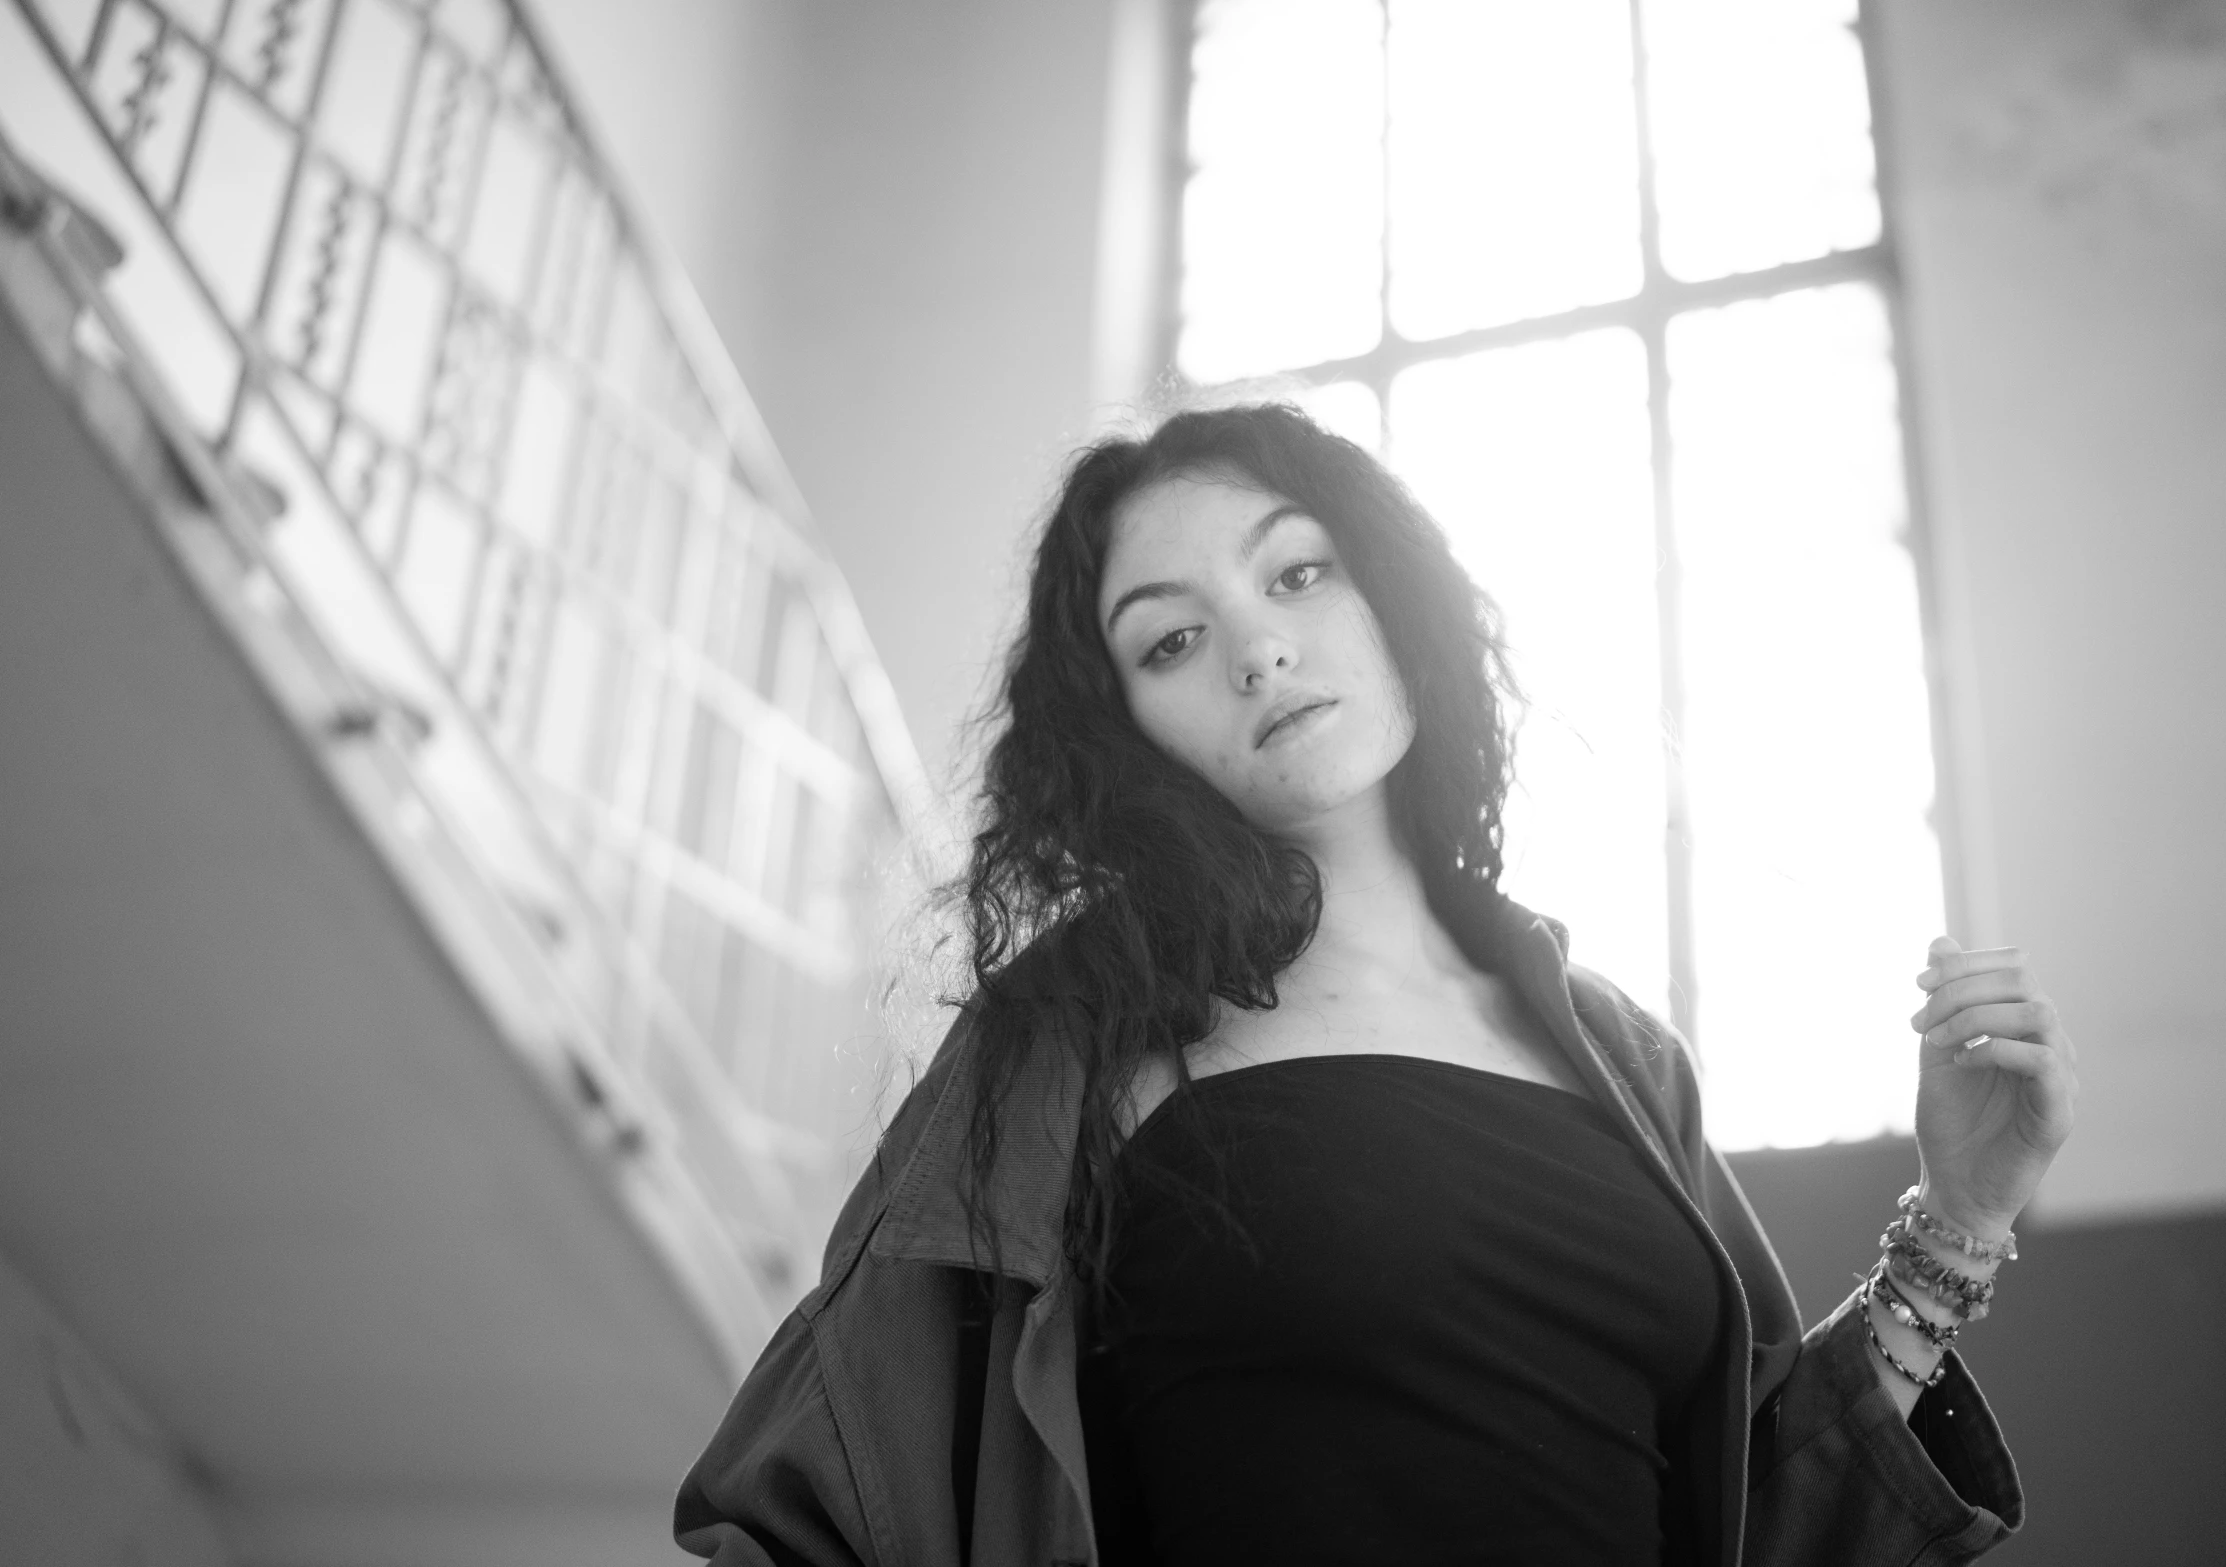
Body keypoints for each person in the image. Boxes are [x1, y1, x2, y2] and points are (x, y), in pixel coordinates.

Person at [675, 402, 2077, 1566]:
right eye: (1171, 639)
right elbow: (809, 1502)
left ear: (1391, 594)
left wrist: (1961, 1213)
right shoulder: (1071, 1041)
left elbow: (1755, 1523)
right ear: (1127, 737)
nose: (1258, 649)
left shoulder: (1614, 1054)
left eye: (1297, 574)